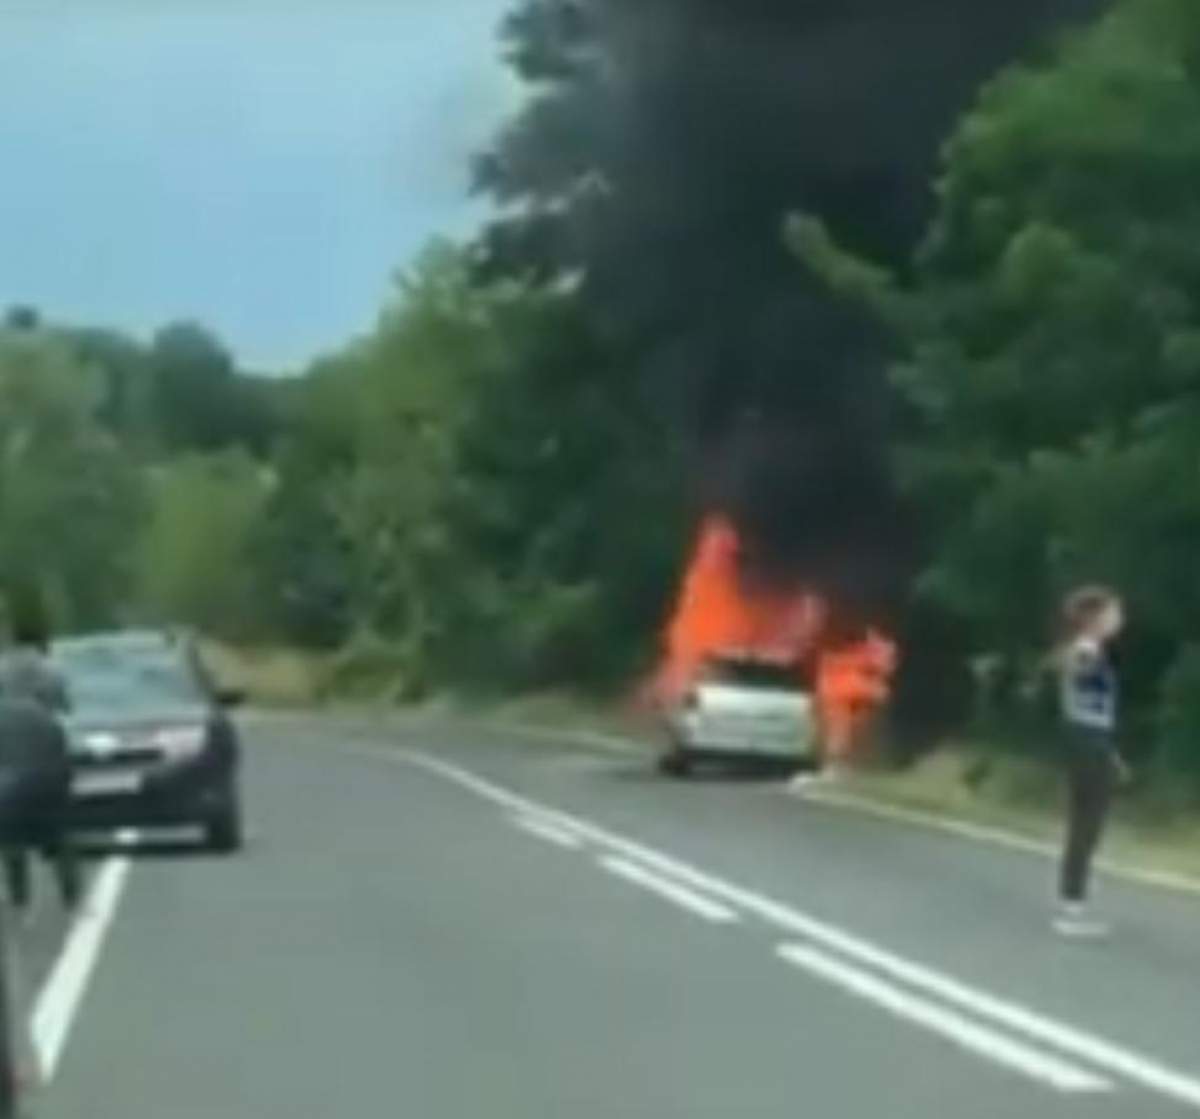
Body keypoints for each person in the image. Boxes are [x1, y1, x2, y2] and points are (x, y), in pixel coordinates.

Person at [1053, 585, 1127, 939]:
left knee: (1086, 824)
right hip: (1085, 739)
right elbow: (1073, 671)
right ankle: (1073, 906)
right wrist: (1078, 659)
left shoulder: (1090, 651)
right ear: (1096, 619)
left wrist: (1110, 751)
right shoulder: (1086, 651)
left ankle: (1074, 901)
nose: (1119, 619)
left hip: (1090, 739)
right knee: (1087, 824)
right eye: (1114, 613)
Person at [0, 597, 79, 912]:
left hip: (8, 746)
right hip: (45, 742)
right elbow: (66, 706)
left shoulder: (1, 669)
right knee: (56, 824)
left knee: (8, 827)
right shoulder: (51, 669)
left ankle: (19, 893)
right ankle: (69, 887)